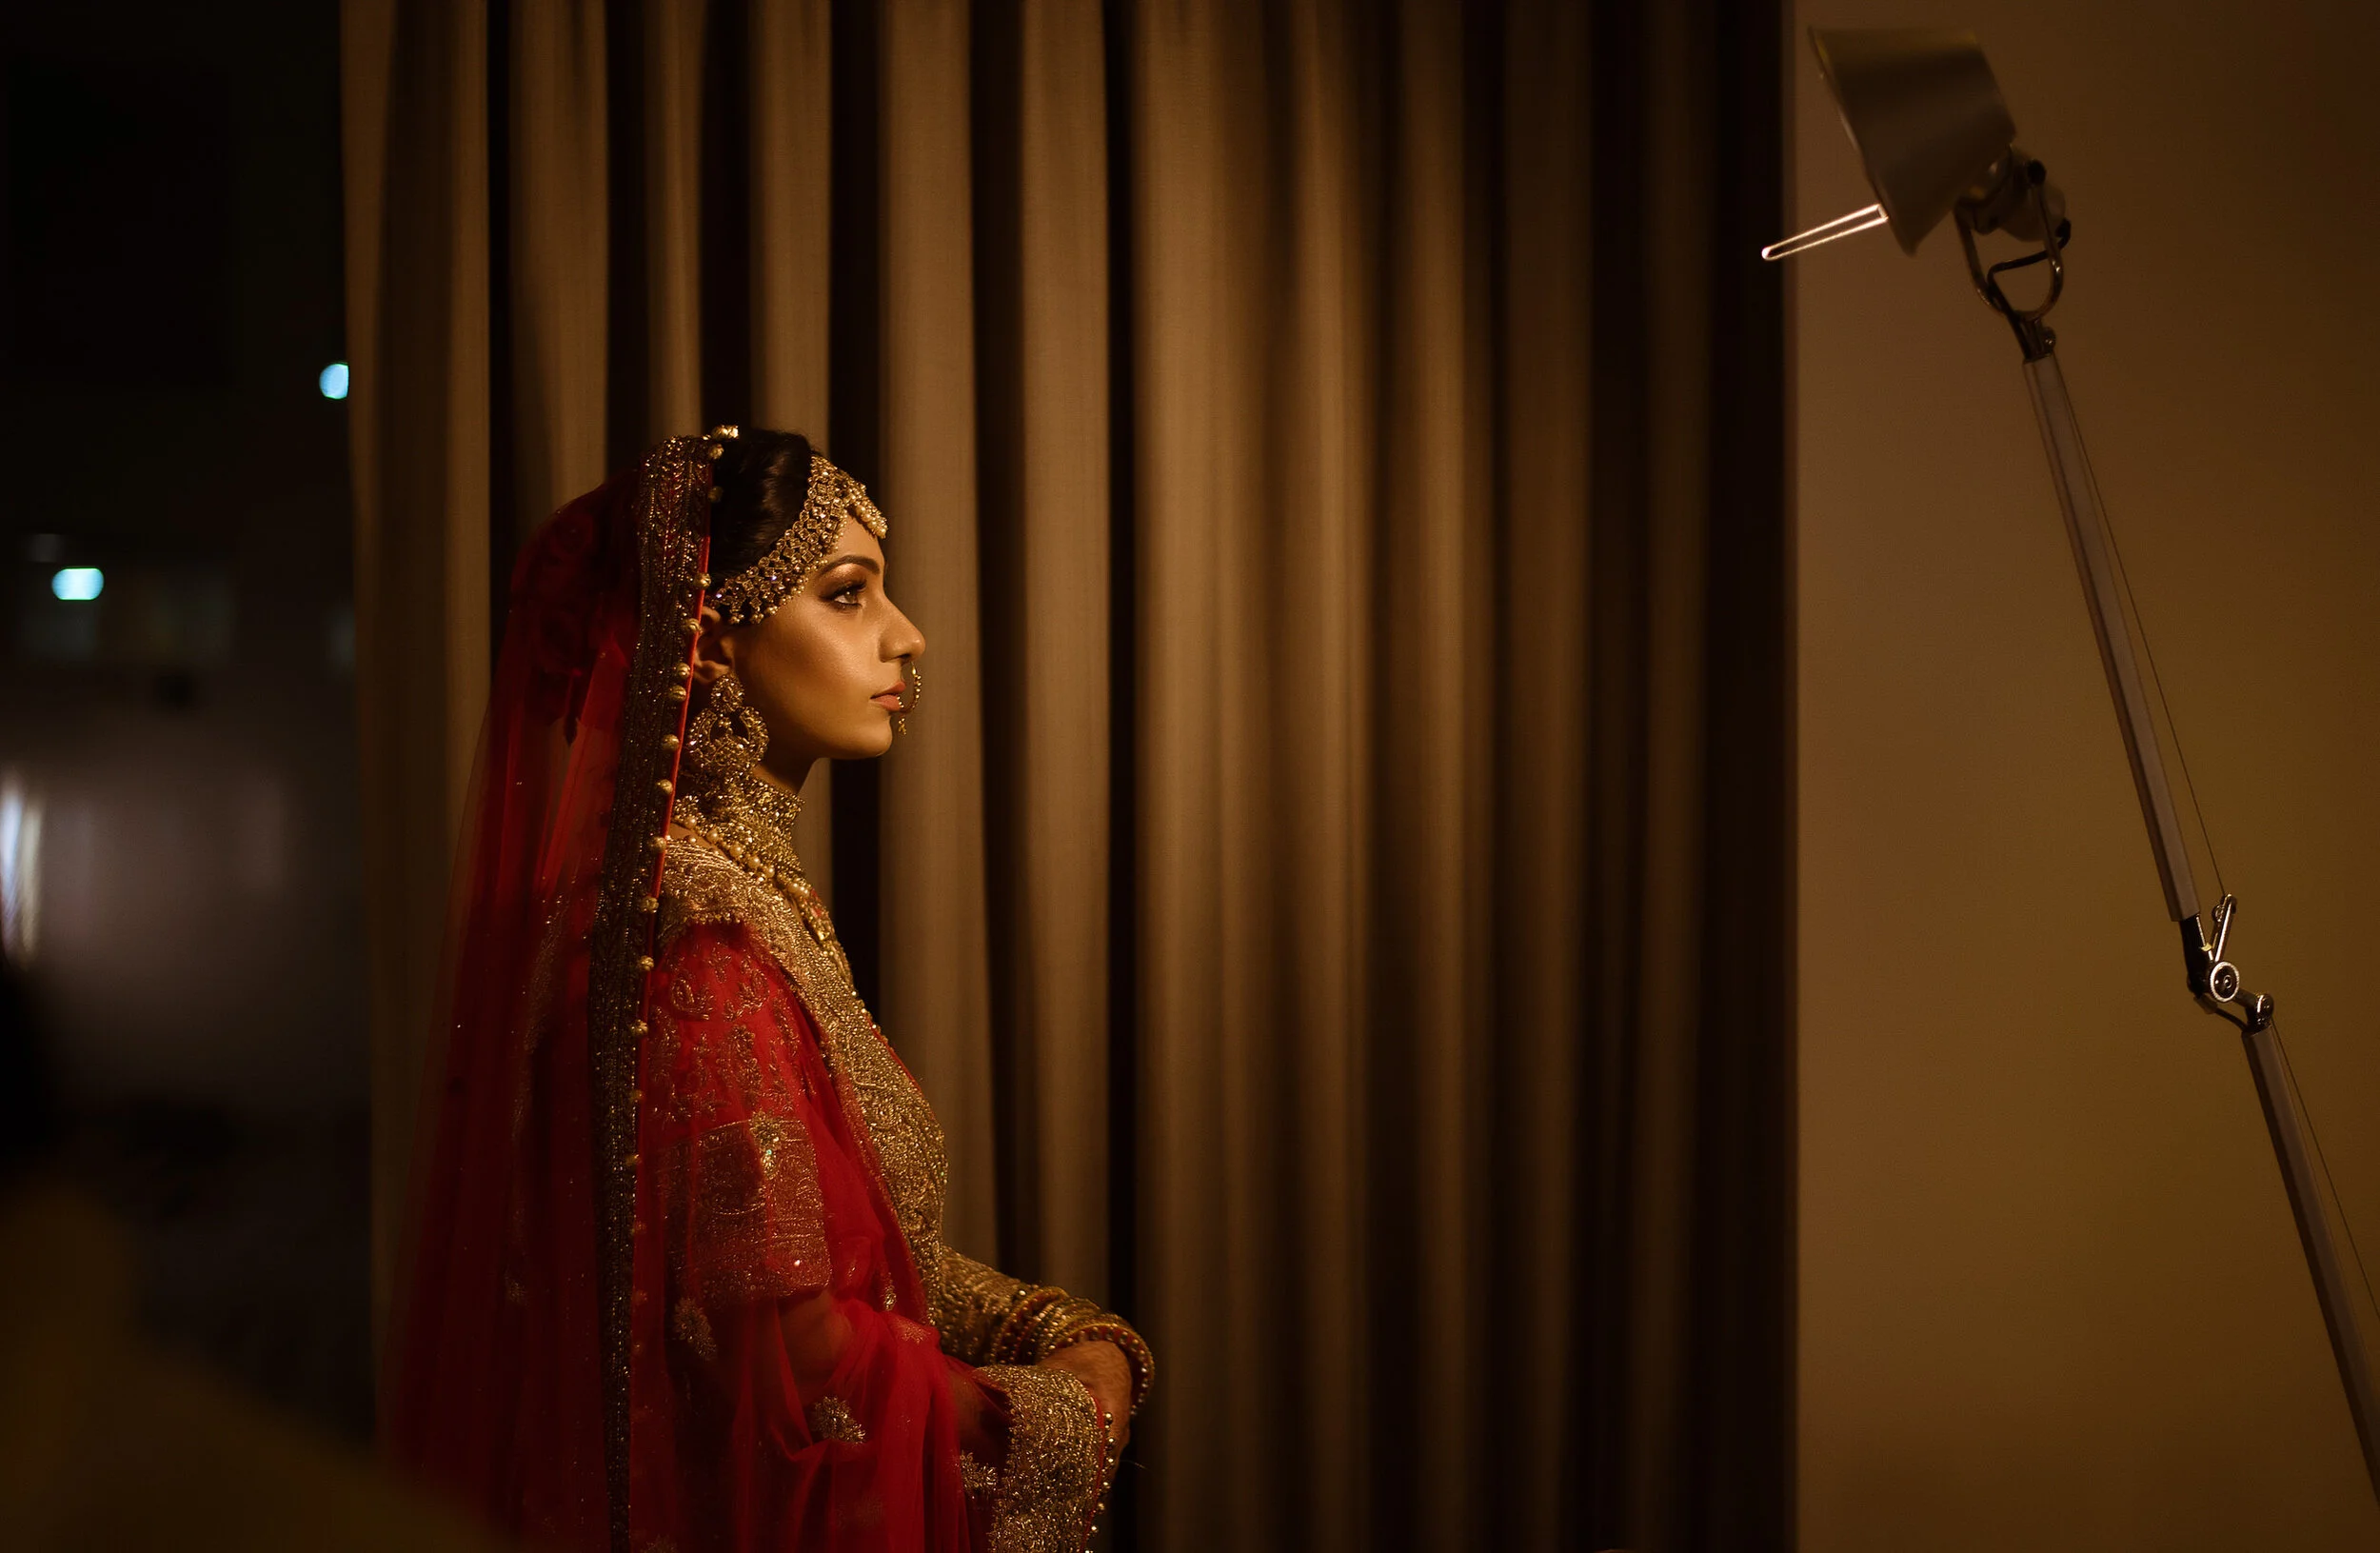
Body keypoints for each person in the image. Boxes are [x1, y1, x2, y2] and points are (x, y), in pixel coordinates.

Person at [383, 429, 1151, 1553]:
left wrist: (1049, 1319)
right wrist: (1065, 1407)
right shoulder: (700, 952)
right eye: (846, 596)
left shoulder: (727, 897)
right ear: (711, 645)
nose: (907, 634)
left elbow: (836, 1257)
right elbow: (788, 1351)